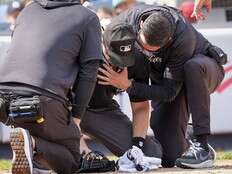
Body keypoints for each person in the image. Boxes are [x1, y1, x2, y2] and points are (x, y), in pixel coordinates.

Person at [98, 4, 226, 169]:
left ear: (168, 41)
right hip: (167, 80)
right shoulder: (126, 23)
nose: (144, 51)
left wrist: (128, 85)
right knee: (170, 157)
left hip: (202, 73)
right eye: (141, 45)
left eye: (151, 50)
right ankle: (187, 133)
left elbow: (168, 92)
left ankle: (201, 145)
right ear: (141, 26)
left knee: (193, 67)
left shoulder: (183, 38)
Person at [0, 0, 102, 173]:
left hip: (3, 99)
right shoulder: (88, 17)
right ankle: (32, 144)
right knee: (72, 158)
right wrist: (76, 119)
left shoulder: (28, 9)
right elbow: (89, 73)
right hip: (42, 100)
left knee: (41, 130)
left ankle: (32, 152)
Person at [79, 22, 162, 172]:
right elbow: (60, 102)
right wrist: (82, 148)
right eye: (114, 58)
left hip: (102, 110)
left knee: (151, 153)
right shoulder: (83, 54)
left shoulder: (138, 59)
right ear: (102, 43)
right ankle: (34, 146)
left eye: (125, 58)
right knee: (70, 159)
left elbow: (141, 107)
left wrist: (137, 147)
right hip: (69, 112)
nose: (120, 65)